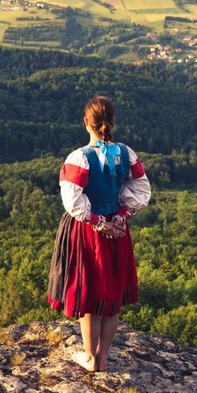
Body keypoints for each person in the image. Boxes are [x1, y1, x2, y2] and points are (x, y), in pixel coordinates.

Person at [48, 95, 151, 372]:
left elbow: (73, 202)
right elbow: (142, 191)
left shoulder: (79, 158)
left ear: (86, 123)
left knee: (91, 295)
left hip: (88, 232)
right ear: (112, 122)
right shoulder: (126, 154)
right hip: (118, 229)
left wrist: (98, 221)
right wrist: (119, 217)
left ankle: (90, 357)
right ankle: (103, 357)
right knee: (111, 294)